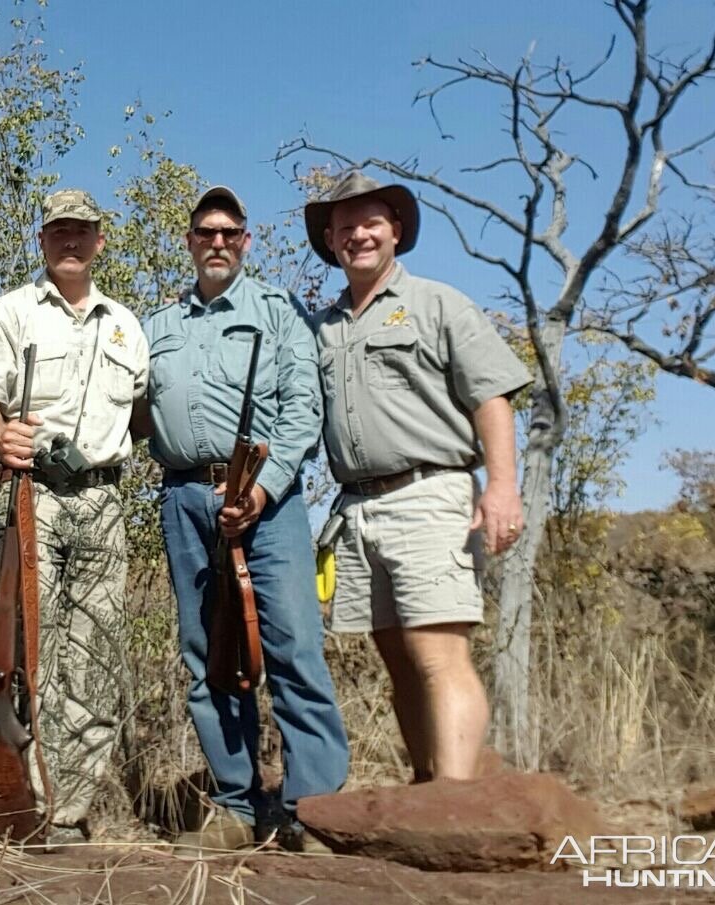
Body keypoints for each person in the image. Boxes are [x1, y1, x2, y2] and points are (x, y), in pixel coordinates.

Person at [138, 185, 349, 853]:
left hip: (268, 500)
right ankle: (235, 802)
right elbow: (134, 412)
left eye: (231, 232)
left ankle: (311, 808)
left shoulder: (279, 311)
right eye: (207, 232)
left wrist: (261, 491)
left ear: (247, 241)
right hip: (185, 502)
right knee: (209, 654)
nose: (219, 242)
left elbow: (301, 413)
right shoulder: (157, 325)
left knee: (291, 646)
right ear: (190, 241)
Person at [307, 170, 531, 783]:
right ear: (330, 239)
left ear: (396, 230)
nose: (359, 236)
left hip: (431, 497)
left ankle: (452, 810)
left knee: (439, 656)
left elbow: (492, 397)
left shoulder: (438, 304)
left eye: (371, 223)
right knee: (399, 661)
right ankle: (428, 790)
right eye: (345, 226)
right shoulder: (321, 327)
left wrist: (504, 489)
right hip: (355, 510)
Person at [0, 188, 148, 844]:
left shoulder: (126, 324)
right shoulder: (11, 311)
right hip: (32, 496)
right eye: (58, 231)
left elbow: (142, 413)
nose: (70, 241)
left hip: (103, 499)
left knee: (91, 651)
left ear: (99, 241)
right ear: (42, 240)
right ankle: (21, 795)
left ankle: (69, 809)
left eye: (82, 231)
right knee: (26, 651)